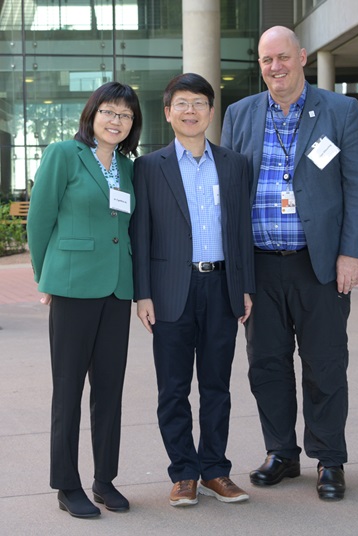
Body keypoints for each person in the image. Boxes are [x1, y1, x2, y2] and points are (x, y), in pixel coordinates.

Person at [221, 26, 358, 501]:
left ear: (302, 57)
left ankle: (330, 459)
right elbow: (229, 194)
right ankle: (282, 453)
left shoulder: (340, 110)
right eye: (267, 60)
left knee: (325, 364)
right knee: (266, 365)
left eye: (283, 57)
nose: (275, 67)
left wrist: (351, 252)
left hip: (320, 265)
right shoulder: (239, 113)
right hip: (260, 265)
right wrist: (236, 273)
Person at [131, 73, 255, 507]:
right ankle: (183, 472)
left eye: (199, 103)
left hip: (221, 287)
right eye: (181, 103)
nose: (190, 110)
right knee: (173, 388)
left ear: (210, 110)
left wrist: (245, 287)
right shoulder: (148, 167)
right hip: (169, 292)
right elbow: (140, 234)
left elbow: (241, 231)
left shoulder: (235, 164)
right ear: (168, 113)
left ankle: (216, 471)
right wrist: (142, 293)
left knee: (218, 386)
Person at [27, 81, 142, 518]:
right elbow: (40, 219)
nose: (117, 121)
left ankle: (104, 480)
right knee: (68, 389)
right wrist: (45, 277)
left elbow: (126, 228)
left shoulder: (129, 168)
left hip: (116, 288)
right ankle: (67, 484)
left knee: (110, 390)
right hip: (73, 287)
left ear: (133, 124)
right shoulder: (63, 154)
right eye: (109, 112)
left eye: (126, 115)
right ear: (92, 114)